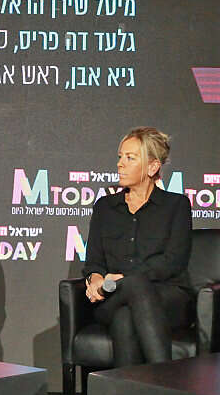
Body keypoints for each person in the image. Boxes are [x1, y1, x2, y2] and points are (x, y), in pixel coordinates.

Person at [81, 127, 193, 367]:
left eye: (130, 158)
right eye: (120, 157)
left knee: (125, 317)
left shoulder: (177, 206)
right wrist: (97, 279)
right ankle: (166, 381)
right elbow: (94, 262)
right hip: (112, 297)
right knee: (131, 291)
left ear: (152, 167)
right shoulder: (105, 207)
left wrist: (122, 280)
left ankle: (126, 392)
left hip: (167, 298)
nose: (120, 164)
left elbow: (173, 261)